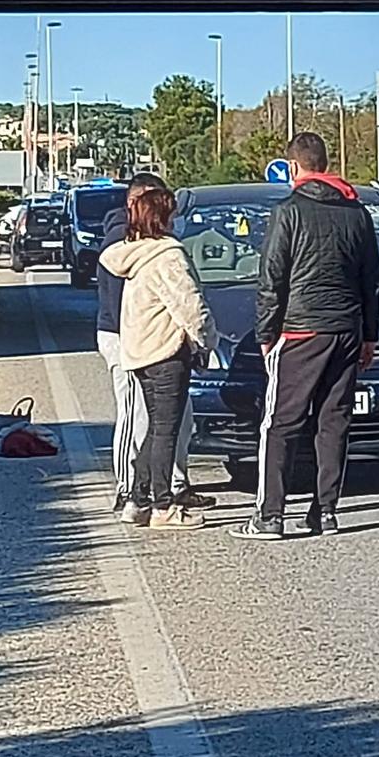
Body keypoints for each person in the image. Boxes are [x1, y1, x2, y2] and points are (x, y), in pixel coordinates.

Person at [235, 132, 379, 541]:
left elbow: (272, 278)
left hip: (300, 329)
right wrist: (369, 334)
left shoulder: (288, 211)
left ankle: (269, 515)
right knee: (334, 420)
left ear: (294, 168)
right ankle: (325, 511)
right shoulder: (357, 213)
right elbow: (373, 279)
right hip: (347, 329)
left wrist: (267, 333)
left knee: (279, 423)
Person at [98, 181, 214, 530]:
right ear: (163, 217)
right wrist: (206, 341)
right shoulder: (168, 256)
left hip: (141, 353)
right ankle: (163, 505)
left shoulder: (134, 255)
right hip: (167, 351)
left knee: (152, 430)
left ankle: (137, 498)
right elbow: (190, 306)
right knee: (166, 429)